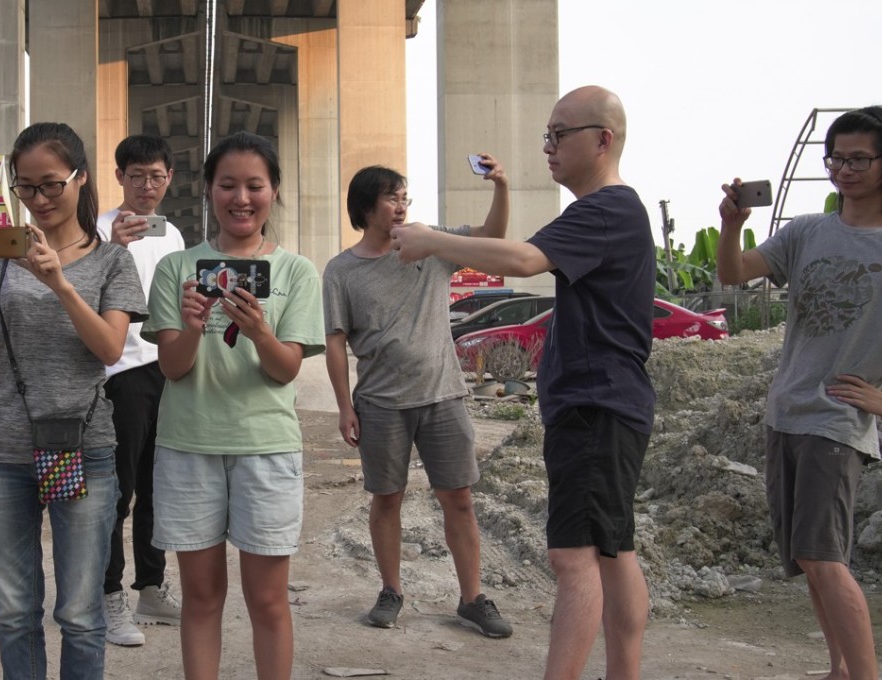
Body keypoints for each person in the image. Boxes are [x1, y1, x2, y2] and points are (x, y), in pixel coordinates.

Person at [391, 85, 654, 679]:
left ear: (603, 139)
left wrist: (433, 241)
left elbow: (525, 260)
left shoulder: (605, 208)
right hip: (609, 404)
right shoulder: (612, 210)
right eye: (548, 136)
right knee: (614, 552)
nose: (549, 148)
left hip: (594, 404)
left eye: (559, 135)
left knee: (575, 557)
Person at [0, 122, 148, 680]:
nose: (38, 200)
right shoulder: (4, 257)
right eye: (26, 188)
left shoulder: (113, 262)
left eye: (51, 185)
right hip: (4, 452)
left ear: (81, 179)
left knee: (82, 613)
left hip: (82, 447)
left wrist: (61, 283)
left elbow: (110, 348)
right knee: (14, 612)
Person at [141, 130, 324, 680]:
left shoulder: (296, 272)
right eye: (228, 185)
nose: (241, 198)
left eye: (254, 185)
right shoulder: (178, 269)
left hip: (265, 449)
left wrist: (261, 331)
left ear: (273, 191)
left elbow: (285, 369)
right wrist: (194, 325)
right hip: (187, 447)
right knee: (201, 599)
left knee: (268, 600)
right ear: (208, 191)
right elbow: (173, 368)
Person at [717, 106, 882, 680]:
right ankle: (839, 669)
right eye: (836, 158)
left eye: (859, 158)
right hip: (785, 412)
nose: (845, 169)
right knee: (809, 562)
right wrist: (734, 222)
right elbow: (734, 273)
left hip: (835, 423)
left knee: (823, 556)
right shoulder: (809, 230)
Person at [322, 160, 514, 638]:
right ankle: (391, 590)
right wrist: (345, 407)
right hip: (381, 404)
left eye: (405, 196)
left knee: (460, 500)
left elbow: (491, 236)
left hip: (444, 396)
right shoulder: (341, 271)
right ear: (367, 208)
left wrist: (502, 185)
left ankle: (472, 598)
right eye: (392, 197)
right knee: (387, 499)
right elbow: (335, 341)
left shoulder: (432, 245)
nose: (402, 205)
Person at [96, 134, 184, 647]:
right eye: (136, 176)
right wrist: (114, 248)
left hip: (166, 370)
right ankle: (107, 596)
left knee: (158, 488)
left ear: (169, 178)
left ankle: (150, 587)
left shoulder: (172, 234)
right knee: (117, 491)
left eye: (156, 176)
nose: (146, 186)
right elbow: (83, 284)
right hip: (120, 372)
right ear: (120, 177)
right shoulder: (100, 228)